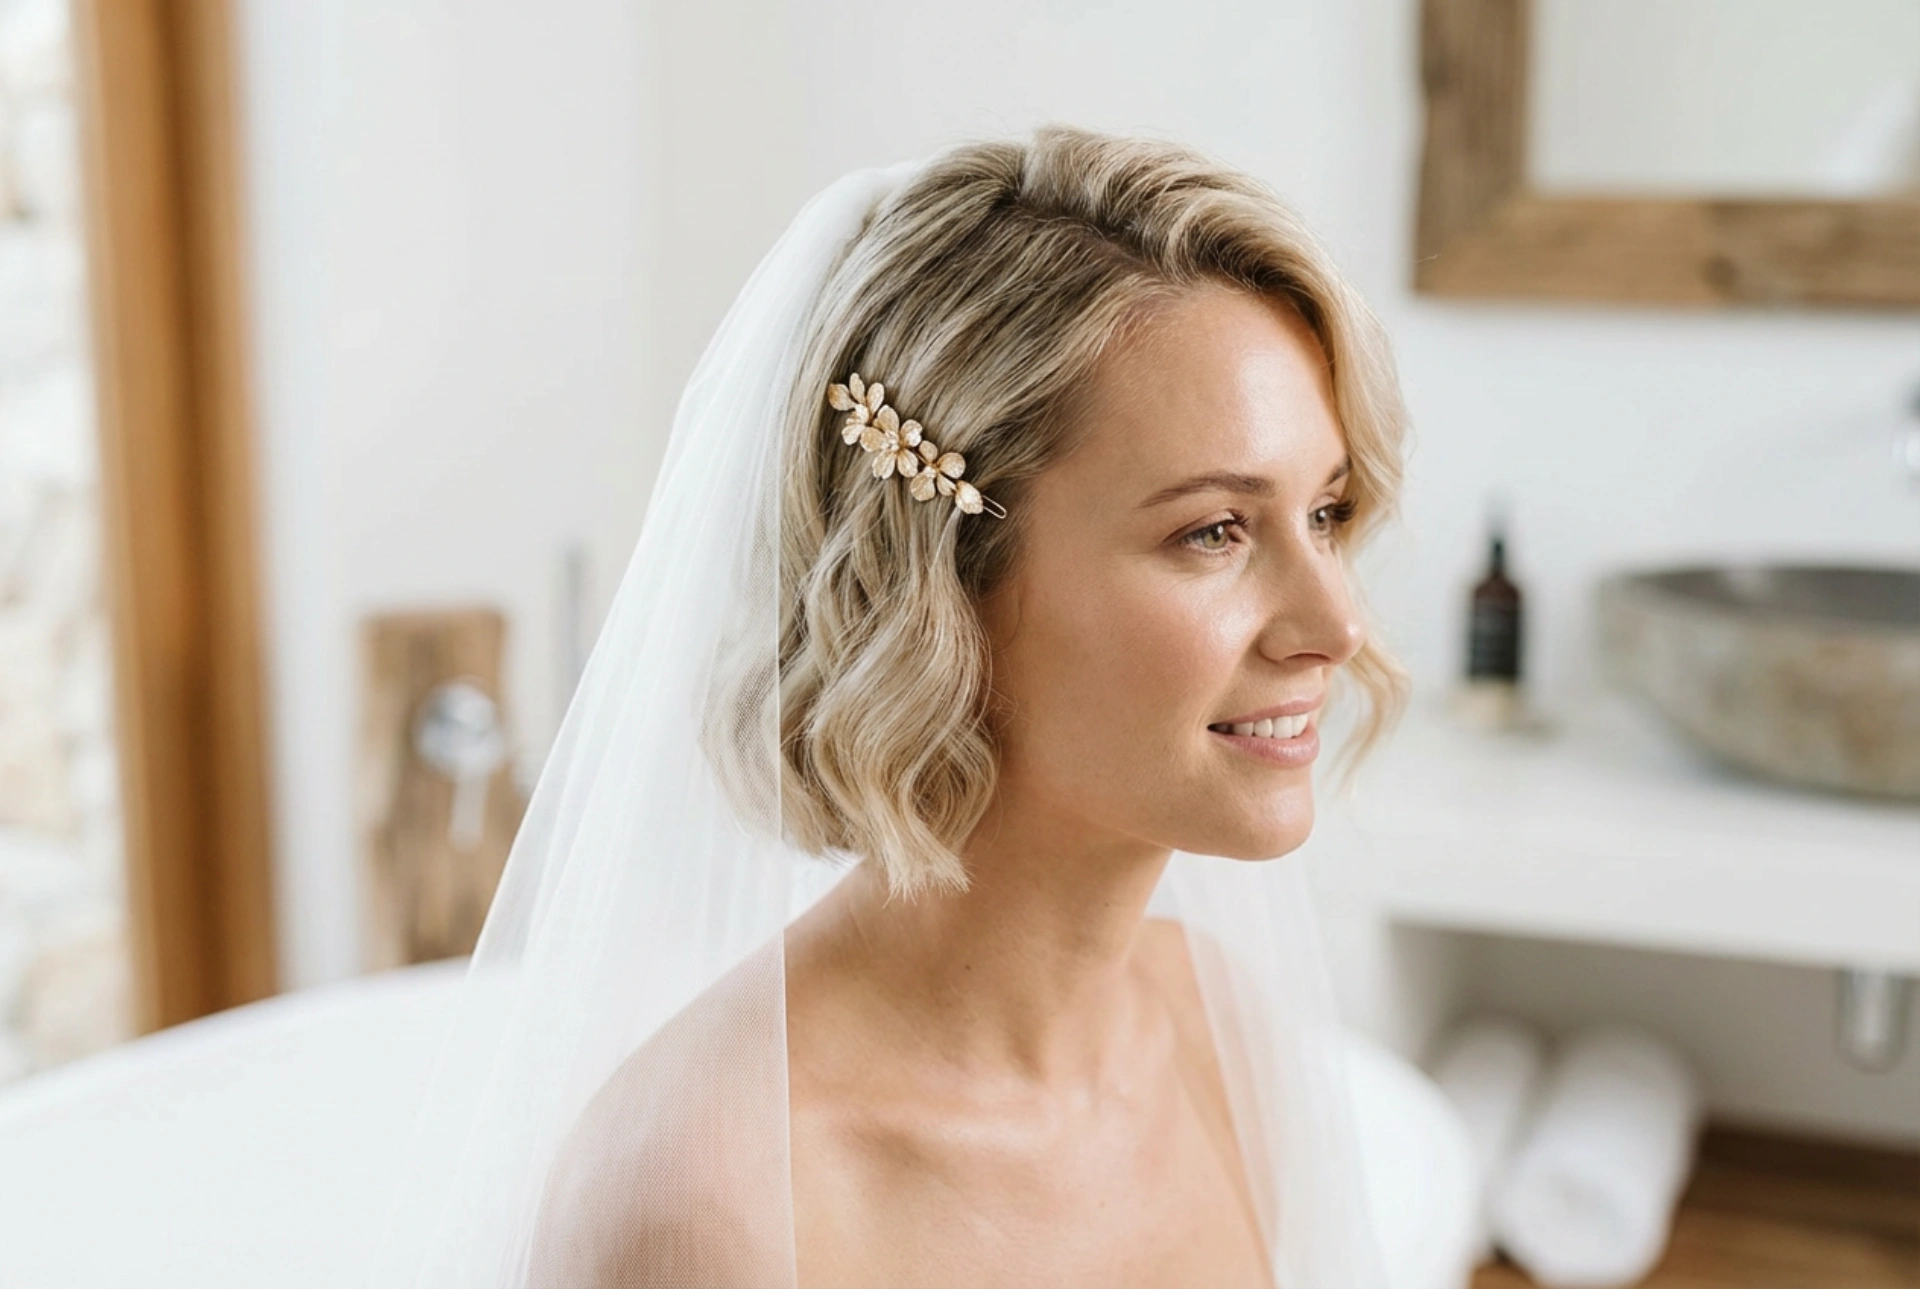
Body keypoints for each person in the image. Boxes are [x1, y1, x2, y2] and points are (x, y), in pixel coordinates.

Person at [371, 125, 1409, 1289]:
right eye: (1213, 530)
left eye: (1325, 512)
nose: (1337, 624)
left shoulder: (1224, 1032)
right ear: (944, 585)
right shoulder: (713, 1204)